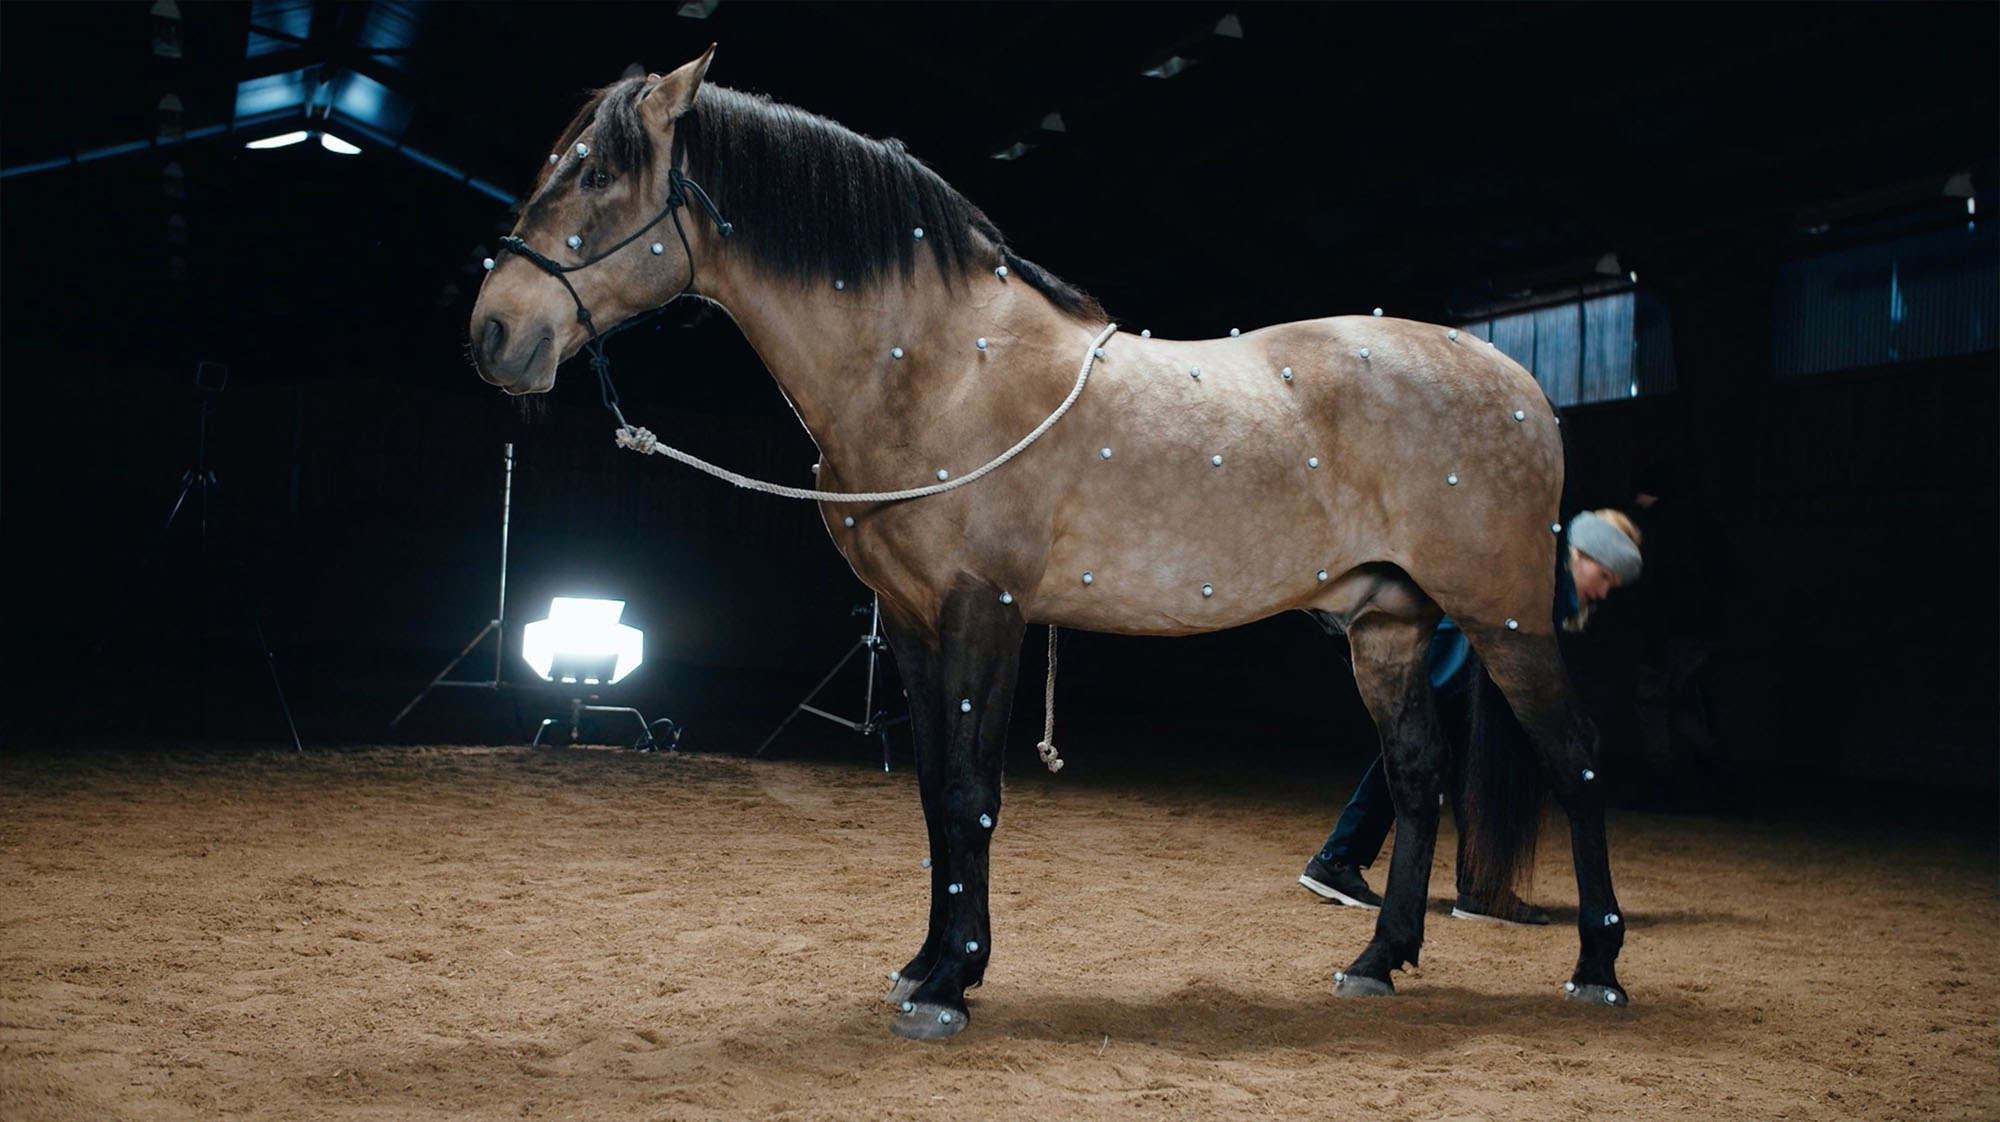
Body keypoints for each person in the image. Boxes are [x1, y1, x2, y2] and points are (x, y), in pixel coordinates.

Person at [1298, 508, 1644, 925]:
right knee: (1420, 754)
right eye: (1605, 576)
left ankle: (1470, 885)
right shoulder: (1539, 579)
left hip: (1453, 665)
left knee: (1440, 756)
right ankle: (1349, 862)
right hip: (1450, 666)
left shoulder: (1540, 575)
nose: (1605, 593)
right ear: (1583, 556)